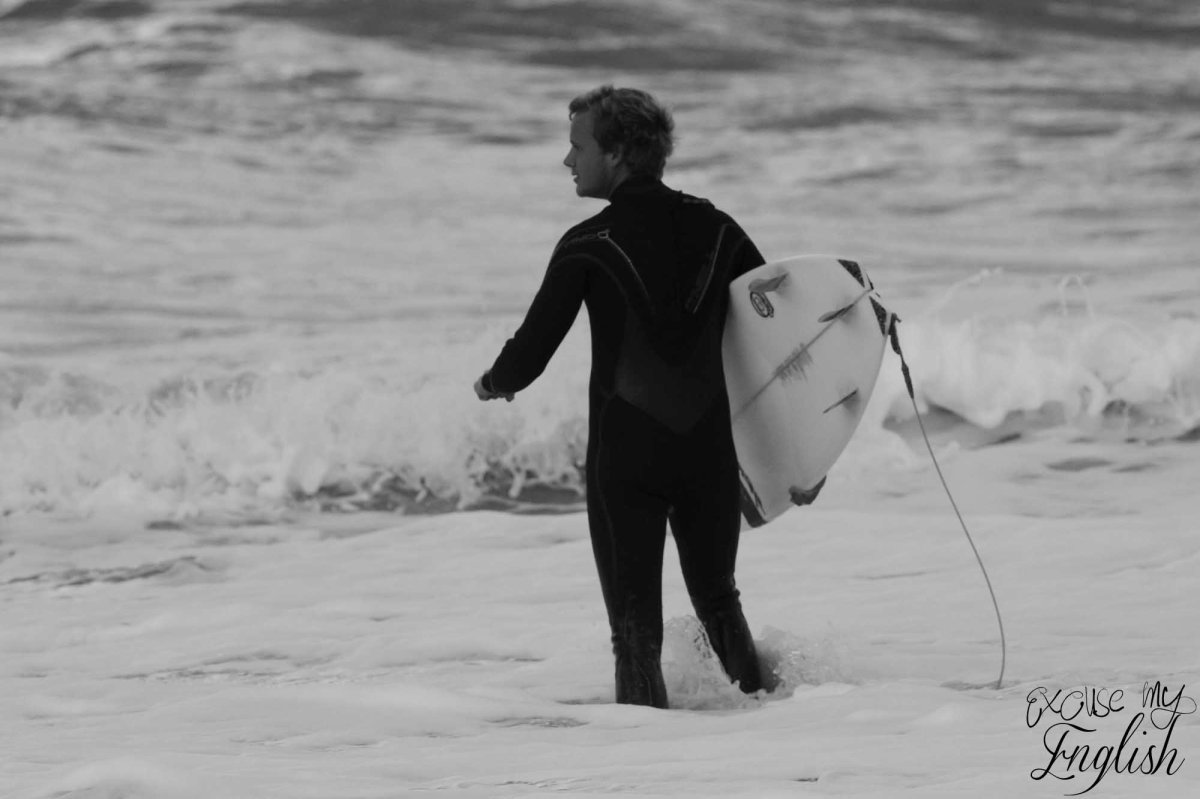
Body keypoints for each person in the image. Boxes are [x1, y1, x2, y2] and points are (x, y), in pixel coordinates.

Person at [474, 85, 766, 708]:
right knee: (720, 603)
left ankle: (642, 756)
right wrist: (796, 449)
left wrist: (492, 383)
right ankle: (782, 727)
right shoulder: (719, 230)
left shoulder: (589, 242)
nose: (568, 159)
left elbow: (529, 354)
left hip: (627, 460)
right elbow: (775, 331)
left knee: (634, 636)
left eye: (577, 146)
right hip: (708, 455)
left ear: (617, 154)